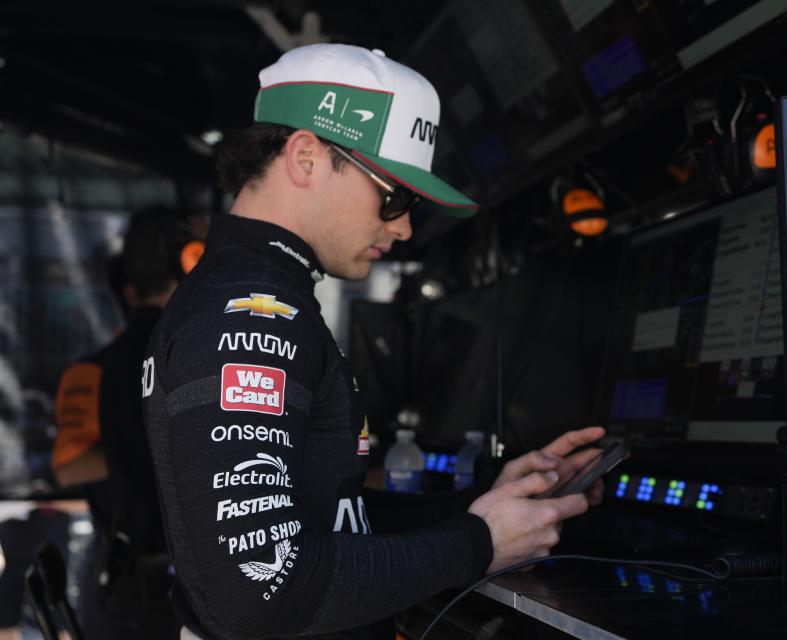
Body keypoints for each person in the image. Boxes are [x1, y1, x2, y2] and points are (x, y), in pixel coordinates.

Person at [142, 43, 605, 640]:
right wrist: (479, 543)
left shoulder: (253, 294)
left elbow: (333, 519)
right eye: (395, 196)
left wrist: (487, 501)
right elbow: (258, 591)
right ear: (306, 156)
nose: (405, 226)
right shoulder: (251, 313)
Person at [52, 206, 204, 639]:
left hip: (158, 580)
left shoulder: (99, 367)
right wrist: (147, 447)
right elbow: (68, 466)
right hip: (146, 574)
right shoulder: (95, 371)